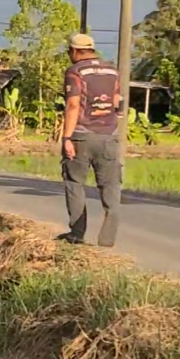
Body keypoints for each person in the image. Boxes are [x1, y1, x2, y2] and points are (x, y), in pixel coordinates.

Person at [60, 33, 122, 247]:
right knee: (111, 185)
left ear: (75, 51)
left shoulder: (75, 72)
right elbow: (115, 102)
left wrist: (66, 137)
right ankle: (107, 238)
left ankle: (77, 234)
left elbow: (73, 106)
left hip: (81, 135)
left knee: (74, 182)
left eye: (69, 51)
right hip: (109, 136)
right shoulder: (112, 70)